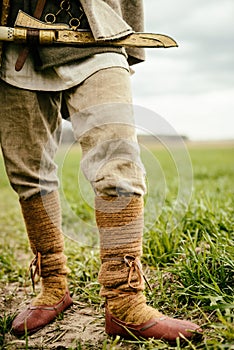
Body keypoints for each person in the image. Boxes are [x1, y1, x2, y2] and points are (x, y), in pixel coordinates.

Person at [0, 0, 201, 341]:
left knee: (118, 158)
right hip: (12, 42)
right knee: (28, 172)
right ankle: (53, 286)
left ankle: (125, 303)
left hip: (94, 29)